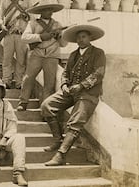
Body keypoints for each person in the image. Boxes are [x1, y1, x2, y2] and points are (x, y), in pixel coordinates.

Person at [42, 24, 106, 166]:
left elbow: (99, 74)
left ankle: (61, 155)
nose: (80, 40)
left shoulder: (98, 53)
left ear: (90, 38)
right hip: (71, 92)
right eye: (78, 38)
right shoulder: (73, 55)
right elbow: (65, 72)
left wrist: (81, 86)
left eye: (83, 37)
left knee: (75, 121)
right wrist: (64, 85)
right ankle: (57, 139)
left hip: (88, 94)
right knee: (46, 106)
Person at [17, 0, 68, 111]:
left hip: (52, 55)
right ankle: (23, 101)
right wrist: (41, 37)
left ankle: (45, 108)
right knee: (28, 78)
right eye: (46, 9)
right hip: (37, 54)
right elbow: (24, 38)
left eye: (51, 9)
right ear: (41, 11)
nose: (49, 12)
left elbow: (64, 44)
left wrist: (60, 36)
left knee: (49, 83)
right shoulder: (33, 23)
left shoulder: (57, 25)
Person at [0, 0, 31, 89]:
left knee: (21, 60)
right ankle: (6, 80)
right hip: (9, 33)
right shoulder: (6, 1)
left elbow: (33, 16)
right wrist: (1, 25)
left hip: (22, 33)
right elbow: (0, 16)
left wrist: (26, 15)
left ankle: (19, 81)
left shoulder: (27, 1)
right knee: (7, 59)